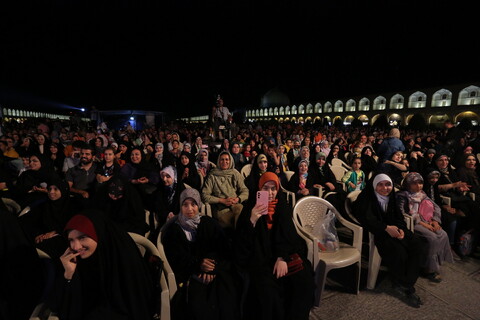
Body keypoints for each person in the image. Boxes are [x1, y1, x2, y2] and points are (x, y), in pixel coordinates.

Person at [234, 172, 315, 320]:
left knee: (303, 280)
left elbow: (289, 236)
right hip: (260, 259)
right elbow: (241, 243)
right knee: (267, 292)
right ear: (259, 190)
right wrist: (251, 220)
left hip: (281, 255)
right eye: (266, 188)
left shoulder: (282, 206)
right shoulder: (250, 208)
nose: (270, 193)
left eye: (273, 188)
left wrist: (282, 257)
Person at [54, 211, 154, 320]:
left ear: (98, 234)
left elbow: (132, 305)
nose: (76, 246)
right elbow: (64, 305)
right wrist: (68, 274)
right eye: (71, 240)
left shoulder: (123, 257)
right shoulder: (76, 261)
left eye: (82, 237)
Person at [162, 188, 239, 320]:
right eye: (185, 205)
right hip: (189, 275)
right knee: (199, 306)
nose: (190, 209)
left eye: (193, 204)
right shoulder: (174, 230)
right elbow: (176, 257)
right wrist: (198, 265)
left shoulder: (209, 223)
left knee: (226, 297)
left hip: (214, 271)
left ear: (199, 205)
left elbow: (223, 248)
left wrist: (211, 265)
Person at [353, 174, 424, 308]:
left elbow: (399, 217)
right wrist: (385, 228)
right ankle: (406, 285)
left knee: (416, 243)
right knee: (399, 251)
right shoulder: (366, 198)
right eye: (380, 184)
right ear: (374, 185)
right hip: (378, 231)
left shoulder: (392, 197)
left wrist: (401, 230)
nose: (385, 188)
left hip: (395, 228)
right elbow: (367, 219)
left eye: (388, 184)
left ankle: (407, 279)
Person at [396, 172, 453, 282]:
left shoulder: (422, 194)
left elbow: (436, 207)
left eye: (420, 183)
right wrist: (423, 224)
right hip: (412, 223)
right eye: (414, 183)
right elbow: (403, 214)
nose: (418, 186)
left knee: (443, 234)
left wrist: (435, 221)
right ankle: (428, 269)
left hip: (426, 220)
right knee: (432, 238)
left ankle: (434, 263)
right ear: (408, 184)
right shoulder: (402, 196)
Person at [201, 151, 249, 230]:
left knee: (240, 209)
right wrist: (222, 200)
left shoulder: (235, 173)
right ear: (218, 161)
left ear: (230, 161)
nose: (224, 162)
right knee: (238, 220)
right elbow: (204, 195)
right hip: (221, 209)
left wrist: (238, 199)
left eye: (227, 160)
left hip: (235, 204)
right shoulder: (213, 175)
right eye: (222, 160)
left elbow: (245, 190)